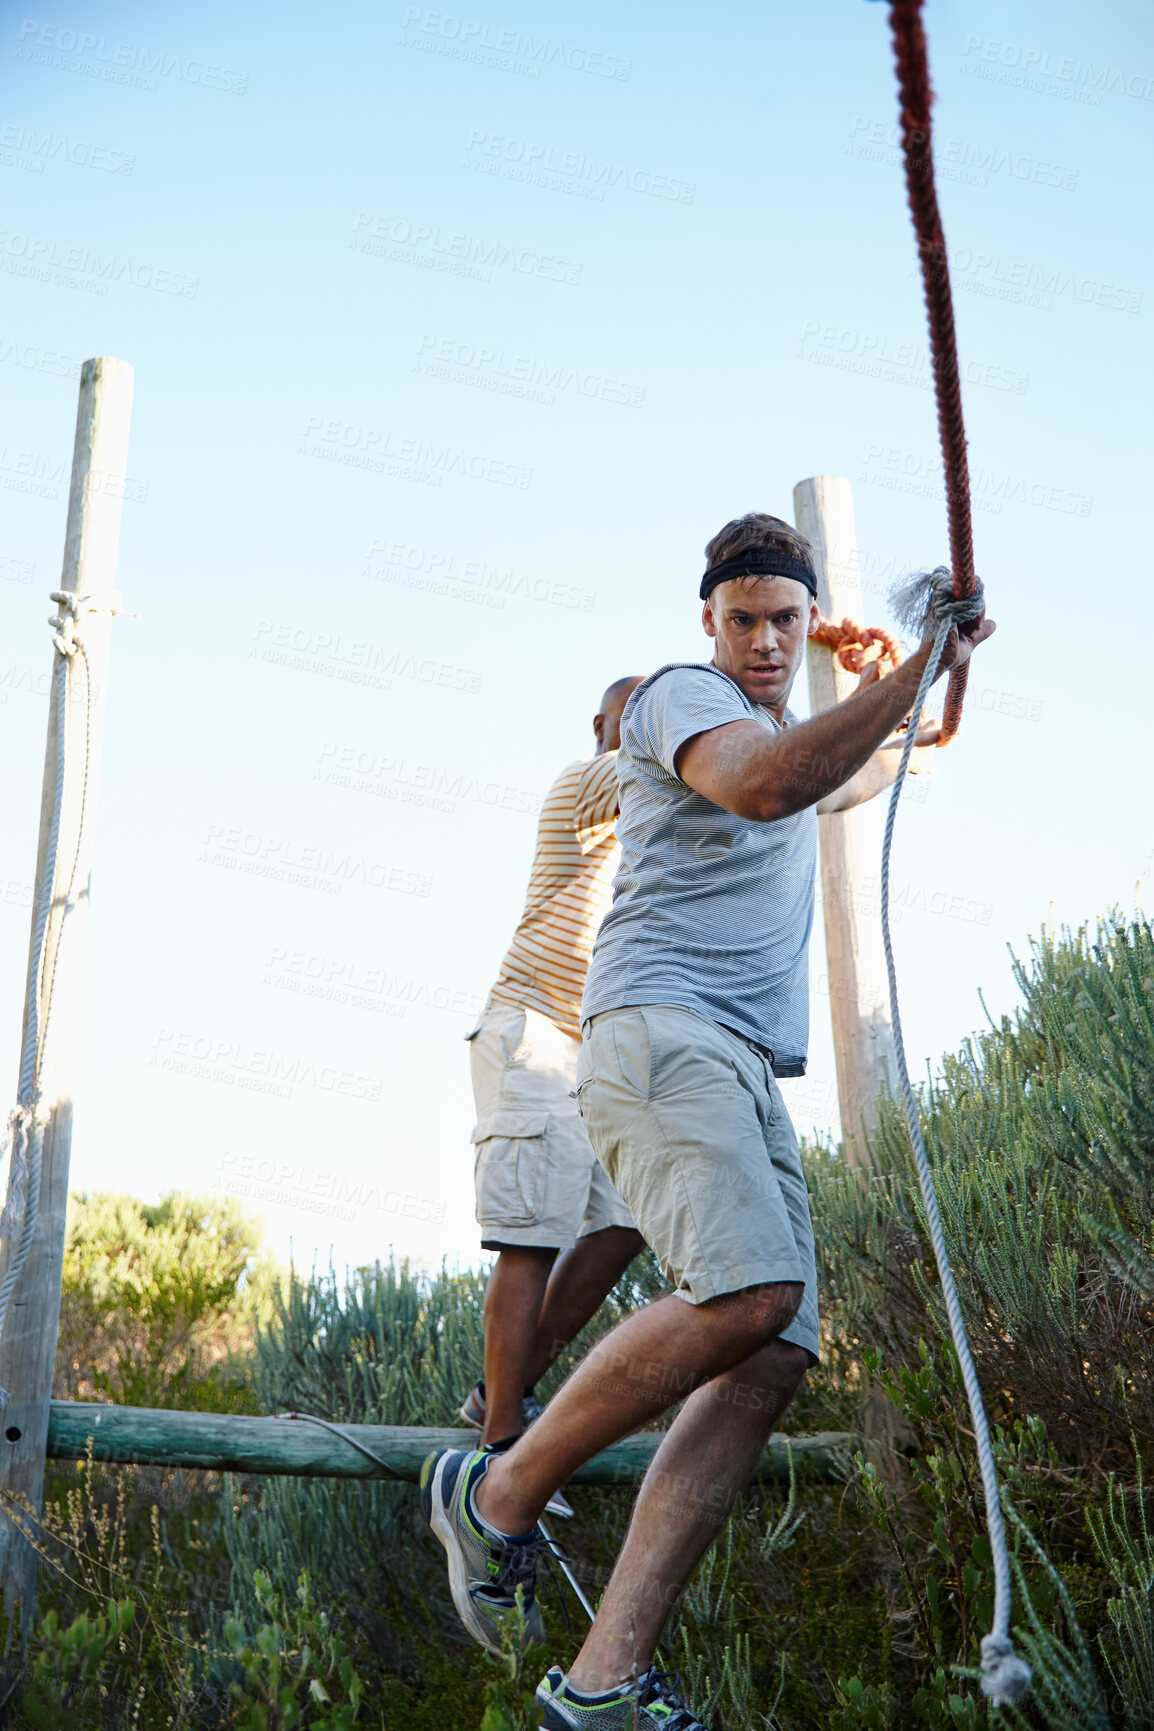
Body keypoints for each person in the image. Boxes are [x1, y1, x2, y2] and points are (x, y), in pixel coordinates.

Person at [422, 513, 993, 1730]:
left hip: (735, 1063)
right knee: (746, 1297)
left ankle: (602, 1679)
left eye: (784, 620)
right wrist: (901, 671)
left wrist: (943, 654)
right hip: (656, 1034)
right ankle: (498, 1486)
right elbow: (761, 780)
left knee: (771, 1350)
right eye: (744, 619)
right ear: (708, 623)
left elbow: (917, 737)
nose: (766, 641)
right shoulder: (678, 700)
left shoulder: (802, 731)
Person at [458, 678, 647, 1508]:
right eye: (634, 713)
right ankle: (504, 1440)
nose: (650, 724)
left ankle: (502, 1392)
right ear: (603, 725)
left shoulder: (653, 832)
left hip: (592, 1050)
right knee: (531, 1234)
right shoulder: (588, 779)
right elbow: (661, 764)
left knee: (622, 1224)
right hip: (532, 1024)